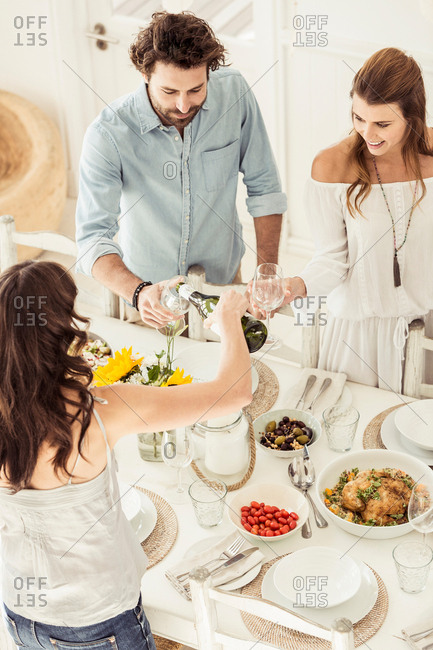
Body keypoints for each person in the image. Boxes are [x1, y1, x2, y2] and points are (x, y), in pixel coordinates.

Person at [0, 260, 252, 649]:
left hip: (21, 614)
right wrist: (229, 320)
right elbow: (234, 393)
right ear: (62, 329)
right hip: (99, 623)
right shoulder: (98, 410)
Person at [75, 11, 287, 329]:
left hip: (225, 287)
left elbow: (265, 188)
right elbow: (92, 238)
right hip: (149, 295)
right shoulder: (108, 133)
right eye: (170, 92)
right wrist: (137, 291)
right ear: (144, 74)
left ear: (209, 73)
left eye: (196, 90)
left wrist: (266, 271)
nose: (184, 106)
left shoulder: (236, 95)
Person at [280, 47, 433, 393]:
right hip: (356, 337)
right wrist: (293, 286)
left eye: (383, 123)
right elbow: (332, 259)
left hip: (425, 330)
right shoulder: (332, 166)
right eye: (358, 118)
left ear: (413, 117)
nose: (368, 133)